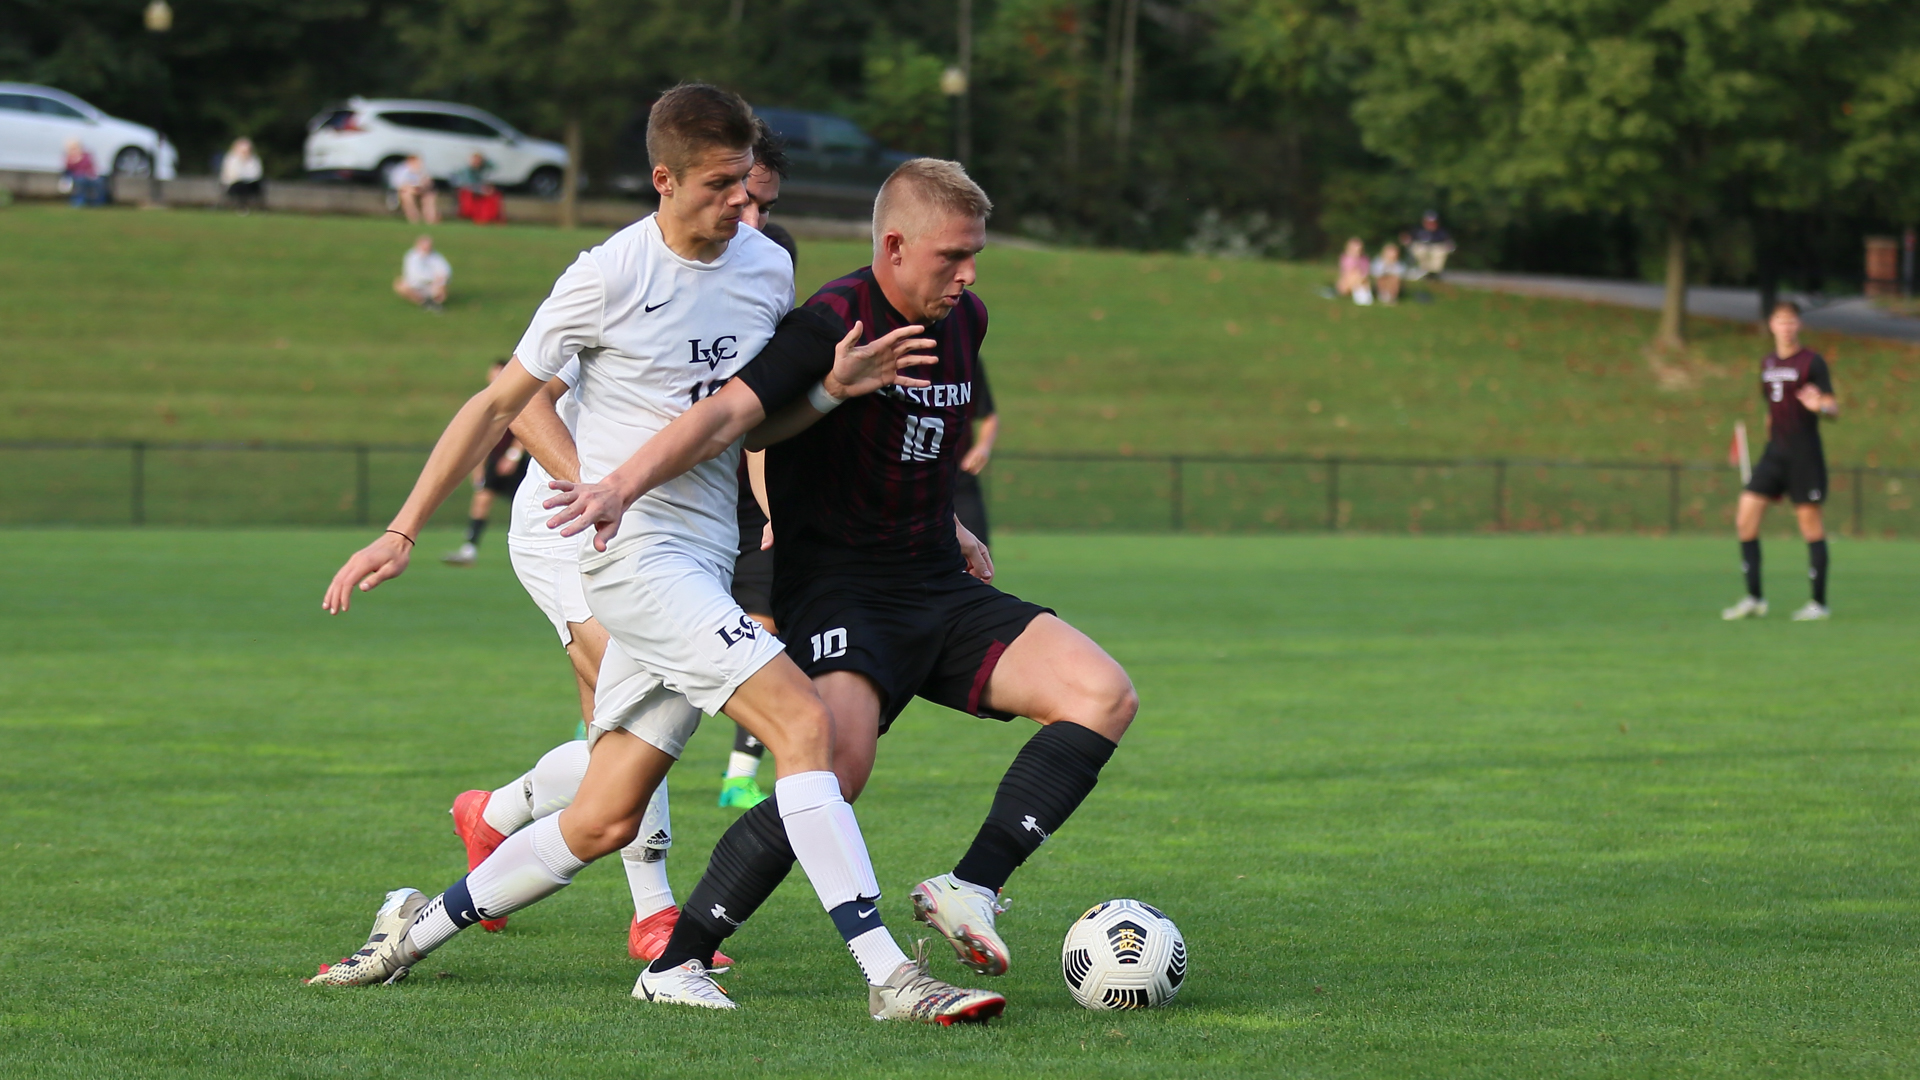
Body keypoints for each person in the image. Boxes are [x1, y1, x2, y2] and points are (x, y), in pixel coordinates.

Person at [310, 84, 1000, 1025]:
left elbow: (762, 418)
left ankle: (407, 935)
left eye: (750, 190)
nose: (742, 207)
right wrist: (400, 532)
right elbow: (498, 401)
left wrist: (842, 405)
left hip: (704, 557)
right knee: (805, 729)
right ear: (663, 179)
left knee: (605, 816)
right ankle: (892, 978)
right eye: (722, 187)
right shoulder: (607, 275)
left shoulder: (762, 266)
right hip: (632, 553)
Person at [545, 158, 1138, 998]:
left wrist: (956, 524)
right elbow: (727, 419)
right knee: (831, 770)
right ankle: (679, 959)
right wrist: (616, 486)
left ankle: (969, 888)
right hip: (842, 592)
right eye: (951, 257)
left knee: (1102, 693)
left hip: (936, 579)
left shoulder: (966, 320)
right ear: (894, 246)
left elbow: (918, 442)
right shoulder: (827, 323)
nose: (967, 274)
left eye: (975, 256)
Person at [1723, 301, 1839, 622]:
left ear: (1798, 326)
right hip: (1775, 452)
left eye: (1791, 322)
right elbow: (1770, 409)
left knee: (1809, 525)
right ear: (1771, 326)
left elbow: (1833, 407)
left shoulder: (1812, 362)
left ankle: (1818, 603)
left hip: (1804, 454)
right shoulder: (1767, 363)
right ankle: (1754, 598)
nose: (1786, 328)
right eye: (1780, 322)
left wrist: (1821, 408)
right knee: (1745, 517)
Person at [443, 361, 529, 566]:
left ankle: (543, 546)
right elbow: (482, 437)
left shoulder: (519, 397)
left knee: (526, 505)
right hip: (493, 460)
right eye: (493, 374)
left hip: (515, 462)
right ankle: (469, 549)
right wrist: (478, 467)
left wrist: (513, 456)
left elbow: (529, 427)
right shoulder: (487, 402)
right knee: (481, 501)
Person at [953, 361, 997, 544]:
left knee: (978, 557)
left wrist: (983, 447)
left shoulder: (965, 357)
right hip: (909, 480)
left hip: (960, 478)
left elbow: (990, 417)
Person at [393, 235, 451, 311]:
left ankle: (435, 302)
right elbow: (416, 274)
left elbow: (445, 270)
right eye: (425, 245)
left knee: (443, 287)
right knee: (400, 285)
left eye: (429, 246)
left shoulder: (436, 256)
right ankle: (424, 302)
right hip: (415, 285)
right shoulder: (412, 256)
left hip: (432, 285)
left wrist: (442, 279)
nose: (427, 248)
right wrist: (434, 278)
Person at [452, 153, 503, 225]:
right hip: (467, 191)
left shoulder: (481, 169)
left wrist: (486, 160)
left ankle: (490, 218)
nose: (477, 162)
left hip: (478, 190)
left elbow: (495, 167)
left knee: (494, 195)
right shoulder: (467, 170)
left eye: (479, 160)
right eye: (475, 160)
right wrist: (482, 190)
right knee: (486, 196)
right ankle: (481, 218)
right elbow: (468, 185)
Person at [390, 154, 439, 225]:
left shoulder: (422, 170)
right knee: (406, 196)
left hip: (420, 190)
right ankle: (414, 219)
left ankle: (430, 219)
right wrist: (410, 188)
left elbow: (428, 183)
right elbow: (398, 184)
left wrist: (424, 186)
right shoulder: (402, 171)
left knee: (429, 196)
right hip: (407, 190)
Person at [221, 137, 264, 212]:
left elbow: (257, 174)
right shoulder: (231, 159)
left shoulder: (254, 159)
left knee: (255, 185)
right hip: (234, 185)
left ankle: (258, 208)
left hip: (250, 184)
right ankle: (241, 207)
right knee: (241, 186)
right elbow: (232, 174)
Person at [1407, 211, 1455, 279]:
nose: (1430, 224)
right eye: (1428, 222)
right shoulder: (1418, 230)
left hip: (1435, 249)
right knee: (1419, 249)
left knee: (1440, 251)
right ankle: (1422, 270)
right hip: (1422, 248)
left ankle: (1434, 273)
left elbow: (1449, 243)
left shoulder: (1441, 232)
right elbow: (1410, 240)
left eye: (1432, 222)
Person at [61, 141, 105, 207]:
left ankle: (97, 202)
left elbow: (91, 167)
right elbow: (68, 170)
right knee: (81, 181)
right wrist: (73, 162)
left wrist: (91, 174)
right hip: (76, 177)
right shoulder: (69, 158)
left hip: (89, 175)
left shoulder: (86, 156)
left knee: (99, 181)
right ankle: (79, 201)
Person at [1336, 238, 1372, 304]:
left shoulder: (1364, 259)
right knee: (1354, 273)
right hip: (1347, 282)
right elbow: (1346, 272)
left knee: (1359, 276)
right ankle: (1359, 294)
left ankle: (1360, 294)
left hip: (1360, 281)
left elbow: (1365, 274)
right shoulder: (1345, 258)